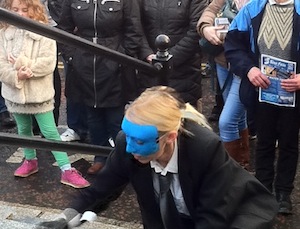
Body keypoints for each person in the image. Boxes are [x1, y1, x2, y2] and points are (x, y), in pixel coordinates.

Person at [32, 86, 300, 229]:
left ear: (169, 137)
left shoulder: (204, 147)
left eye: (141, 141)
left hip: (235, 204)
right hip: (179, 209)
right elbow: (100, 189)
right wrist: (63, 221)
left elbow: (213, 219)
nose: (133, 148)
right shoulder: (129, 145)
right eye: (130, 138)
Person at [0, 0, 90, 188]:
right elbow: (1, 65)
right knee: (23, 130)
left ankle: (66, 169)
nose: (20, 14)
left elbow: (48, 63)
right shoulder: (4, 33)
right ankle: (30, 160)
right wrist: (16, 75)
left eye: (25, 10)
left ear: (35, 10)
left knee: (50, 132)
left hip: (38, 94)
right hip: (14, 92)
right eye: (15, 10)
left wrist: (21, 65)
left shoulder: (43, 32)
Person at [224, 0, 300, 214]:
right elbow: (233, 44)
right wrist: (249, 69)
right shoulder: (252, 9)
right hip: (262, 90)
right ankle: (263, 189)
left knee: (289, 142)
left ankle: (284, 193)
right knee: (265, 141)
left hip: (293, 93)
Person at [58, 0, 142, 174]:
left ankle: (123, 159)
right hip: (84, 62)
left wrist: (121, 58)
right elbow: (63, 28)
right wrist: (72, 57)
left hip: (115, 61)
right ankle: (100, 157)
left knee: (115, 118)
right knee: (92, 114)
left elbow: (133, 30)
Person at [197, 0, 250, 168]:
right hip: (223, 62)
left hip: (246, 66)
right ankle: (242, 164)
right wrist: (206, 28)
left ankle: (231, 175)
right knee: (237, 117)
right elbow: (209, 11)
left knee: (226, 121)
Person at [138, 0, 208, 108]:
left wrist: (168, 58)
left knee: (182, 118)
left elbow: (196, 30)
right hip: (149, 68)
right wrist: (147, 53)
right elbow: (136, 25)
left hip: (184, 70)